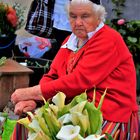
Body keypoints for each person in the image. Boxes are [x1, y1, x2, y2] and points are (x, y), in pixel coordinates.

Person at [11, 0, 139, 139]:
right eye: (73, 16)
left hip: (106, 114)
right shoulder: (70, 40)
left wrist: (30, 92)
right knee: (26, 121)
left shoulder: (108, 38)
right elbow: (52, 75)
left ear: (99, 17)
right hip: (74, 109)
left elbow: (79, 81)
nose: (78, 22)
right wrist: (34, 101)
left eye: (85, 16)